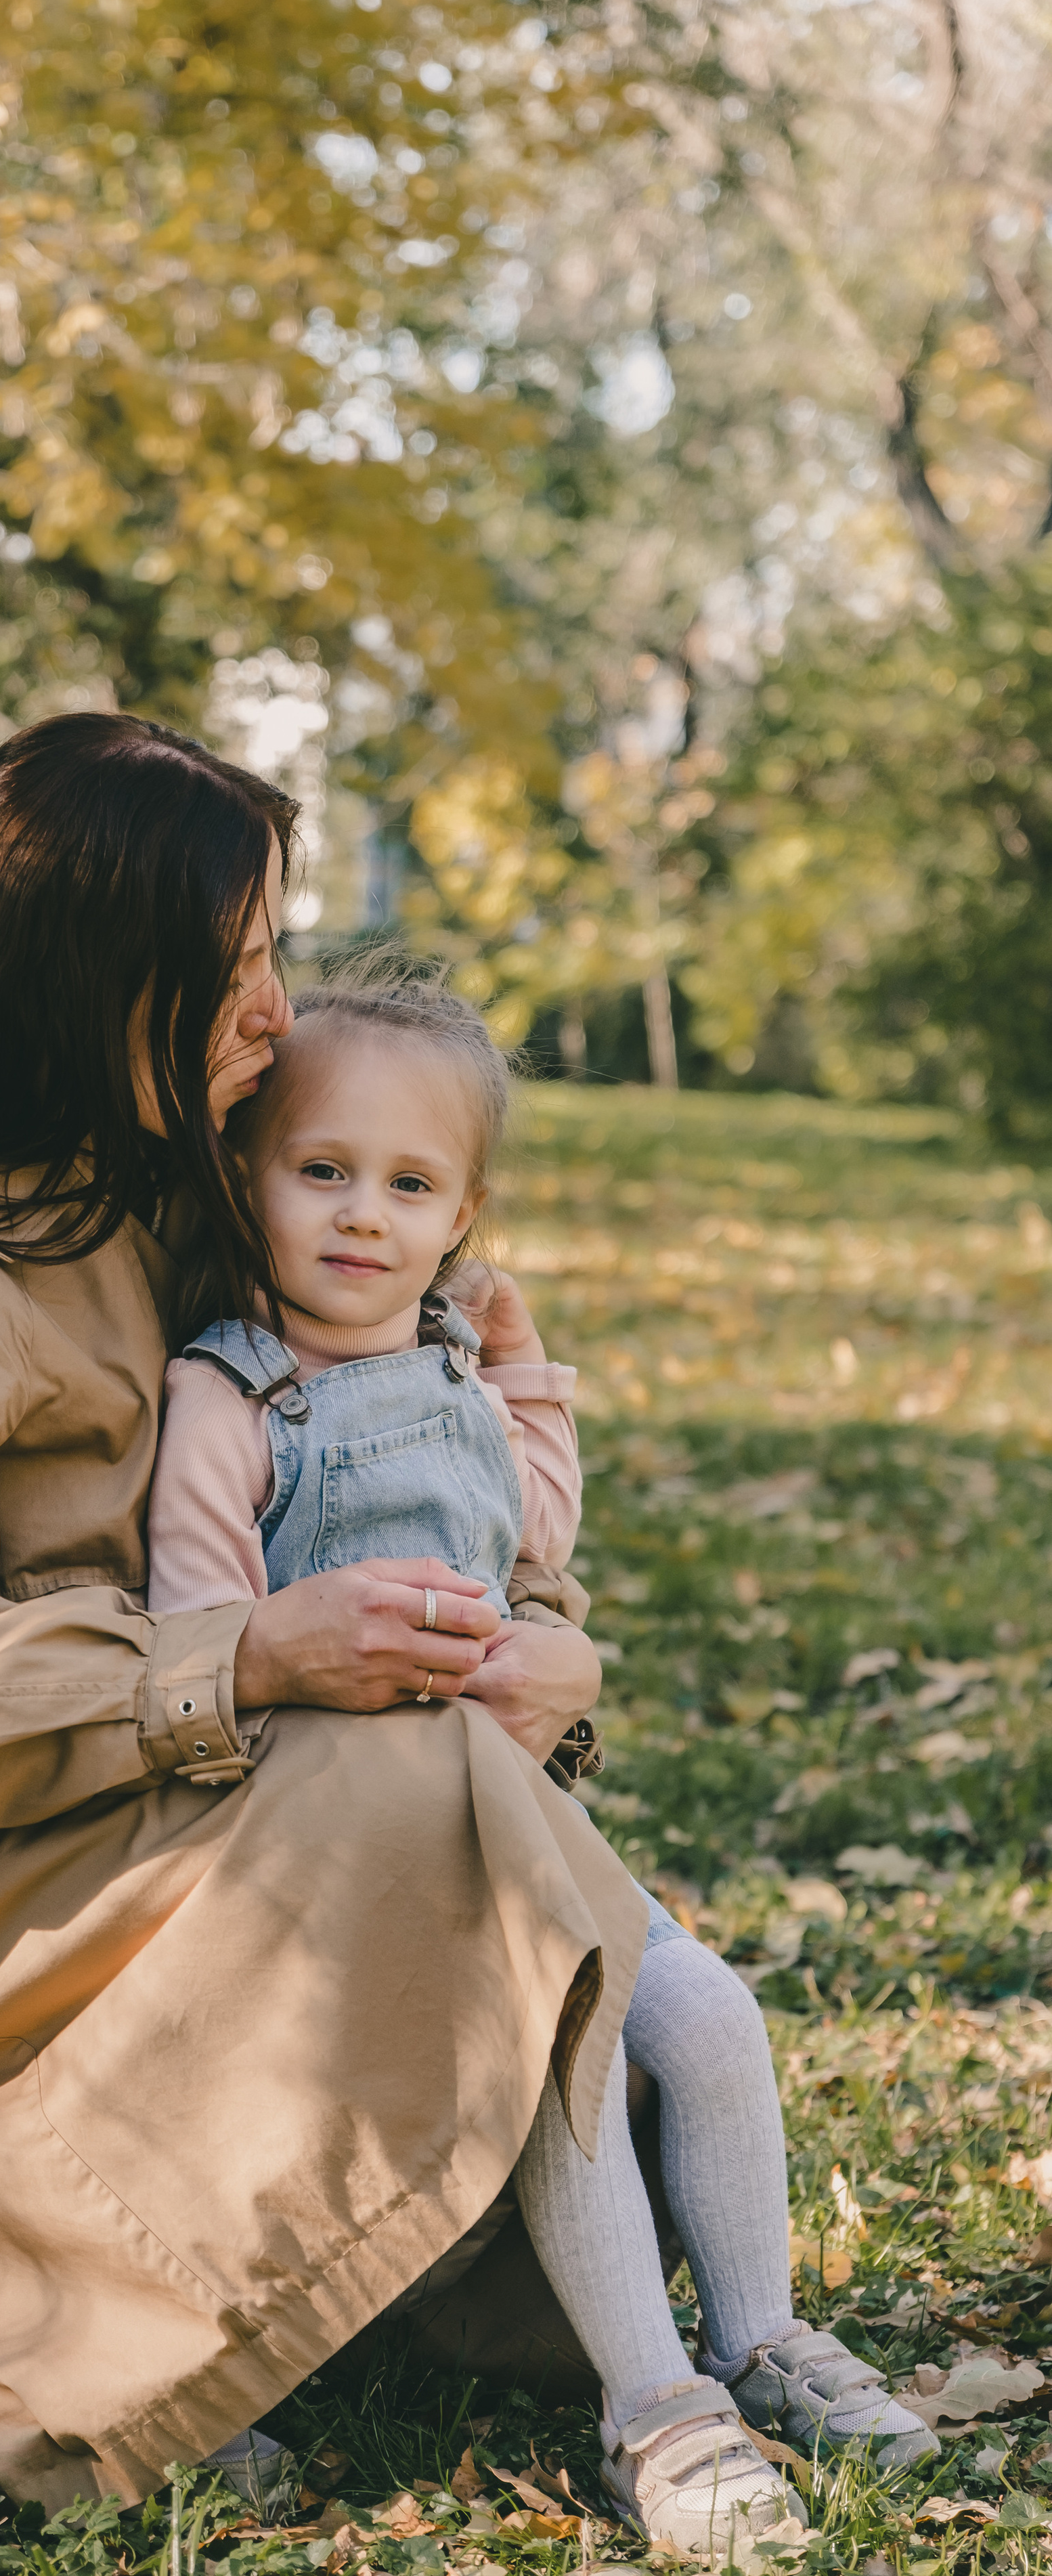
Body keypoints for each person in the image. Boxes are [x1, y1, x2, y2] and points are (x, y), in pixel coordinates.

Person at [0, 714, 646, 2516]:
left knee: (506, 1872)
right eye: (237, 970)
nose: (279, 1015)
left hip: (87, 1771)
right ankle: (54, 2328)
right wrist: (245, 1658)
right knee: (413, 1798)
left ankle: (334, 2267)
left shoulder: (165, 1183)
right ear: (98, 982)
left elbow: (407, 1448)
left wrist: (539, 1638)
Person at [146, 969, 938, 2556]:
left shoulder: (456, 1368)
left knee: (704, 2013)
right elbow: (198, 1626)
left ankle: (758, 2337)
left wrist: (523, 1382)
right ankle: (655, 2414)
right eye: (321, 1171)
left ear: (462, 1214)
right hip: (350, 1845)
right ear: (248, 1176)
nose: (361, 1216)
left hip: (512, 1807)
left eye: (408, 1185)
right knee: (555, 2043)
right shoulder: (228, 1395)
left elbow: (533, 1544)